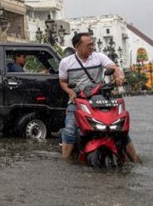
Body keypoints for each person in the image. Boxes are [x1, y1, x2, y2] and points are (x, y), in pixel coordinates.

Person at [58, 32, 138, 162]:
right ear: (77, 46)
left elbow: (113, 67)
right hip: (78, 101)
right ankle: (65, 162)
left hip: (100, 99)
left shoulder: (99, 57)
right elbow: (63, 82)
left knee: (120, 129)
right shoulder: (66, 62)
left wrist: (119, 77)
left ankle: (136, 160)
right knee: (70, 130)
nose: (92, 47)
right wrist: (71, 92)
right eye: (88, 45)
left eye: (92, 44)